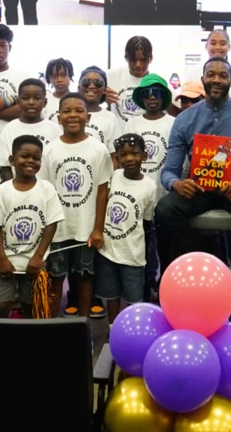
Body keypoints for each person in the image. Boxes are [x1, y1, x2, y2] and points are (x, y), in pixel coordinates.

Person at [156, 57, 231, 300]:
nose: (216, 79)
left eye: (222, 75)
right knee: (165, 210)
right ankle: (198, 263)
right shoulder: (185, 119)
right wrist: (177, 184)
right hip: (198, 191)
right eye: (211, 75)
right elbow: (168, 172)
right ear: (203, 79)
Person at [41, 93, 111, 318]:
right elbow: (43, 191)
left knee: (85, 276)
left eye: (79, 111)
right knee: (55, 277)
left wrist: (98, 229)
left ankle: (84, 324)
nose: (73, 115)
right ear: (58, 117)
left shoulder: (98, 149)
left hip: (86, 228)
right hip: (57, 228)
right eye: (67, 111)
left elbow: (102, 192)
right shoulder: (49, 150)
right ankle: (51, 324)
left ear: (88, 117)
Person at [0, 135, 63, 318]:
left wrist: (38, 257)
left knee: (32, 305)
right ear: (12, 160)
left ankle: (28, 334)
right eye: (25, 156)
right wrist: (2, 259)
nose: (31, 161)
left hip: (34, 262)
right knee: (2, 305)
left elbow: (51, 225)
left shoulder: (47, 189)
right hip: (6, 262)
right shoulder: (2, 190)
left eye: (36, 158)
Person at [97, 134, 156, 322]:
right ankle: (112, 328)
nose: (129, 158)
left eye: (135, 153)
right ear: (117, 158)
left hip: (132, 254)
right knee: (111, 295)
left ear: (144, 156)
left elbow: (146, 221)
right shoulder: (113, 176)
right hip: (108, 250)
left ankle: (133, 328)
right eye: (123, 155)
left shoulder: (150, 186)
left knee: (134, 298)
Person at [125, 74, 175, 299]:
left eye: (157, 93)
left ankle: (165, 285)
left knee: (165, 243)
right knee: (143, 242)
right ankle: (145, 285)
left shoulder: (173, 123)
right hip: (138, 194)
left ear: (165, 97)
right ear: (141, 97)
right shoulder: (133, 123)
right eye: (147, 93)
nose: (152, 97)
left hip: (164, 194)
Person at [0, 78, 62, 182]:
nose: (31, 102)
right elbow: (5, 167)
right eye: (25, 98)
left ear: (45, 102)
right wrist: (12, 189)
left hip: (49, 188)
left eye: (37, 98)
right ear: (18, 102)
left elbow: (60, 162)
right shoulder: (10, 128)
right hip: (19, 189)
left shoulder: (54, 129)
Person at [78, 67, 122, 163]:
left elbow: (114, 156)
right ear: (78, 87)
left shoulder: (110, 118)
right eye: (86, 82)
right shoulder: (69, 114)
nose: (92, 86)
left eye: (98, 83)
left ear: (105, 90)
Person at [107, 36, 154, 124]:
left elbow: (176, 114)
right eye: (133, 60)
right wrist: (101, 97)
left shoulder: (157, 82)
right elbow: (85, 94)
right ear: (126, 58)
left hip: (146, 132)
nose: (138, 65)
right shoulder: (112, 75)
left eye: (143, 60)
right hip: (118, 133)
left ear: (150, 59)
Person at [44, 58, 74, 124]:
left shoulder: (78, 100)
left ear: (70, 75)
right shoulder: (45, 101)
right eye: (54, 76)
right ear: (49, 79)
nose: (59, 80)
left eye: (63, 75)